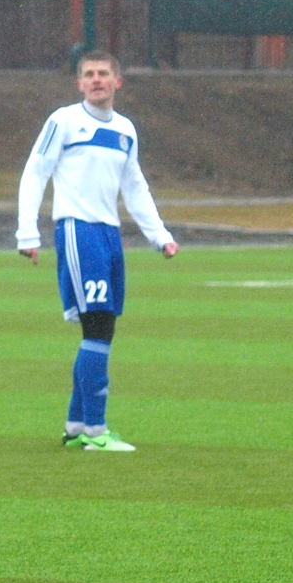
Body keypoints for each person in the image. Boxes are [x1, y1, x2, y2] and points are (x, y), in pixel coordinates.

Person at [17, 51, 178, 451]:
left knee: (103, 327)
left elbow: (134, 187)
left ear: (117, 82)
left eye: (103, 73)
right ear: (79, 84)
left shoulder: (125, 130)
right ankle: (96, 431)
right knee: (99, 326)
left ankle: (76, 427)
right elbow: (35, 172)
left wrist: (159, 235)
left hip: (109, 234)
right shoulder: (64, 121)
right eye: (88, 74)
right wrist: (27, 232)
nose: (96, 80)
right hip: (77, 229)